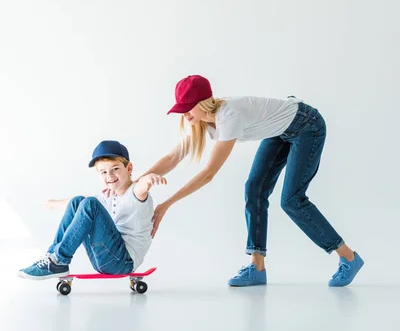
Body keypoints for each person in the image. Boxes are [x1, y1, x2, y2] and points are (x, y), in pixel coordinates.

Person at [139, 75, 363, 288]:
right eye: (181, 108)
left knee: (292, 201)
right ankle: (257, 268)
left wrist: (166, 204)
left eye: (188, 107)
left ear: (204, 102)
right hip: (281, 129)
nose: (185, 114)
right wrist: (136, 182)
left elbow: (209, 173)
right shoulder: (199, 122)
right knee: (255, 189)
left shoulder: (229, 117)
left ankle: (348, 257)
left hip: (307, 125)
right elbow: (172, 158)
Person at [18, 140, 166, 279]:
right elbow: (78, 205)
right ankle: (52, 257)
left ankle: (59, 260)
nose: (110, 176)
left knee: (89, 203)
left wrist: (148, 179)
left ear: (129, 168)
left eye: (115, 169)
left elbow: (142, 187)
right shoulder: (109, 195)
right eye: (103, 172)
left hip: (123, 262)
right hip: (103, 258)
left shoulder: (135, 192)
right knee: (79, 201)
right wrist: (52, 203)